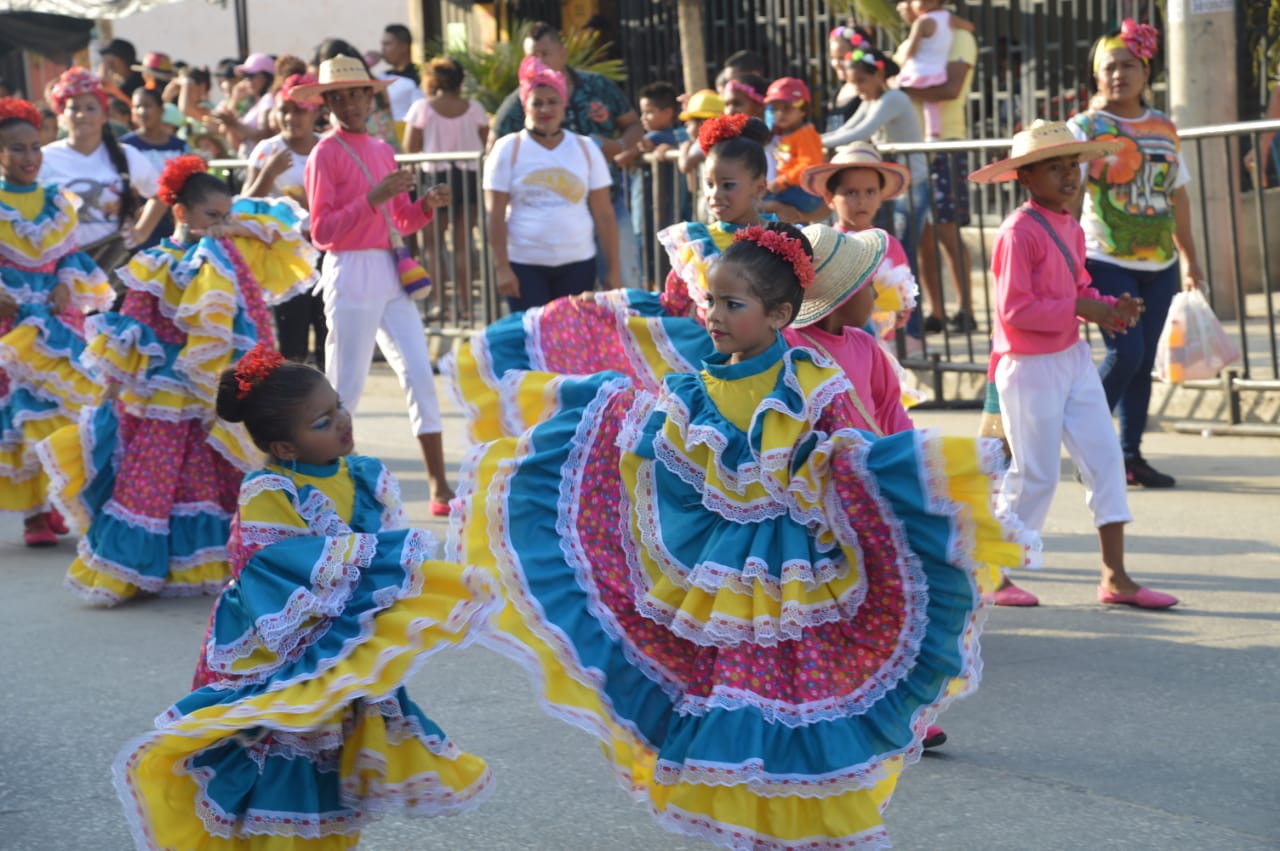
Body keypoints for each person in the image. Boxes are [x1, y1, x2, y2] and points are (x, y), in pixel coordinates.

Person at [450, 221, 1036, 850]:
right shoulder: (693, 387)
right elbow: (661, 465)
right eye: (712, 302)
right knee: (733, 702)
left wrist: (929, 474)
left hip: (797, 578)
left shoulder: (810, 379)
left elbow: (855, 455)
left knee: (800, 705)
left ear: (780, 313)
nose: (716, 317)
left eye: (734, 305)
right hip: (721, 581)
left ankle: (813, 823)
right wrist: (600, 418)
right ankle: (752, 828)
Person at [114, 347, 497, 848]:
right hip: (279, 646)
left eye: (338, 406)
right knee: (281, 753)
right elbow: (276, 572)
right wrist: (361, 569)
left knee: (332, 761)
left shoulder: (362, 474)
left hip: (341, 644)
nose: (342, 422)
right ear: (284, 446)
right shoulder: (270, 490)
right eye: (322, 421)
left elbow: (383, 554)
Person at [37, 155, 317, 605]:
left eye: (226, 215)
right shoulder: (155, 262)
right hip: (164, 392)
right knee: (152, 478)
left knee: (212, 477)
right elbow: (133, 327)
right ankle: (131, 570)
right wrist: (112, 389)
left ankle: (223, 561)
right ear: (181, 213)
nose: (222, 224)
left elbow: (263, 283)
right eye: (212, 216)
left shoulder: (228, 260)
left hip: (211, 389)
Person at [448, 113, 772, 442]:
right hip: (703, 361)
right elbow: (671, 304)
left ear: (759, 187)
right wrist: (606, 303)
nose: (716, 194)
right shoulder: (693, 241)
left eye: (728, 185)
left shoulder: (782, 240)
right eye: (710, 184)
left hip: (764, 363)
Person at [969, 119, 1177, 609]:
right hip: (1029, 366)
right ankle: (993, 574)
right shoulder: (1018, 232)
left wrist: (1109, 306)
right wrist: (1086, 308)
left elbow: (1078, 288)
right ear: (1026, 177)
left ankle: (1116, 577)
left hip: (1072, 359)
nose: (1068, 176)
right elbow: (1014, 310)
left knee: (1105, 461)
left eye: (1073, 166)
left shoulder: (1068, 225)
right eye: (1054, 167)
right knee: (1035, 474)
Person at [298, 55, 456, 515]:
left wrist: (425, 204)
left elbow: (399, 219)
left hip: (389, 269)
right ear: (326, 103)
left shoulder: (382, 148)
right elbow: (323, 232)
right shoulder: (324, 153)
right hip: (349, 269)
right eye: (338, 97)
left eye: (356, 94)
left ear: (371, 97)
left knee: (420, 374)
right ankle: (325, 490)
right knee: (343, 386)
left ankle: (439, 485)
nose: (348, 104)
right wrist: (375, 197)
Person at [1068, 19, 1204, 489]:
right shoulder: (1085, 127)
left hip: (1160, 264)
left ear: (1146, 71)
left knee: (1143, 361)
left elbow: (1178, 195)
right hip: (1104, 257)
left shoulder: (1164, 127)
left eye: (1128, 64)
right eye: (1109, 66)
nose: (1119, 74)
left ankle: (1129, 455)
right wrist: (1061, 257)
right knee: (1126, 353)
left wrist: (1190, 257)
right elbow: (1068, 193)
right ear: (1096, 75)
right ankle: (1085, 439)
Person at [0, 98, 112, 546]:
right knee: (19, 414)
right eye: (16, 150)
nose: (29, 158)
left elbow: (68, 253)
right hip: (9, 324)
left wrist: (66, 280)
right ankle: (33, 514)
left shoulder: (58, 201)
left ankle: (57, 499)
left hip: (53, 316)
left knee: (63, 409)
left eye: (34, 147)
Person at [489, 22, 644, 287]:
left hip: (608, 201)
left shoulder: (598, 86)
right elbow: (493, 143)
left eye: (544, 53)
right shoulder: (521, 100)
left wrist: (618, 147)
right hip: (548, 222)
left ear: (563, 53)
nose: (538, 61)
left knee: (624, 282)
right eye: (532, 56)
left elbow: (634, 124)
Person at [484, 56, 619, 312]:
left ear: (564, 105)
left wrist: (613, 270)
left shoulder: (585, 148)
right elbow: (495, 214)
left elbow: (604, 214)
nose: (546, 110)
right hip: (524, 264)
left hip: (578, 262)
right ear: (525, 106)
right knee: (533, 341)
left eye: (553, 101)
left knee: (572, 343)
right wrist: (502, 268)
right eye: (538, 103)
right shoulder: (507, 149)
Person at [898, 4, 979, 335]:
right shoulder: (910, 38)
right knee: (923, 236)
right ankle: (936, 312)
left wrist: (904, 89)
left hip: (944, 142)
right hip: (911, 148)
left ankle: (966, 310)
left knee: (947, 230)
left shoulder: (958, 35)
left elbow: (950, 88)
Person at [800, 143, 922, 360]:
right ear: (830, 198)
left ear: (880, 196)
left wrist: (899, 313)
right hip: (832, 346)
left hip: (878, 346)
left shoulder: (890, 245)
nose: (862, 200)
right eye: (851, 192)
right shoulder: (825, 246)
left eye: (870, 192)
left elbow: (904, 295)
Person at [38, 68, 165, 276]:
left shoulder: (126, 156)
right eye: (74, 108)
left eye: (90, 108)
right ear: (62, 114)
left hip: (115, 265)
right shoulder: (46, 158)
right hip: (62, 268)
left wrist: (141, 232)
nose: (82, 115)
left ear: (104, 115)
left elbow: (161, 194)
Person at [821, 45, 931, 279]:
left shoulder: (894, 98)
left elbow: (863, 131)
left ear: (879, 76)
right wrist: (814, 140)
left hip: (913, 185)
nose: (858, 89)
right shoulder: (872, 99)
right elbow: (847, 128)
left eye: (862, 81)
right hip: (900, 185)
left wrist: (815, 143)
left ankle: (909, 313)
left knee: (904, 256)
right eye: (854, 84)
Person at [245, 72, 327, 368]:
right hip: (286, 256)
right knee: (292, 342)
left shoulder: (328, 147)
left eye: (300, 111)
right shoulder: (267, 150)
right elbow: (247, 203)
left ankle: (329, 404)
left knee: (328, 333)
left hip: (326, 249)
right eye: (285, 111)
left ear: (315, 111)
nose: (292, 118)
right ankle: (294, 407)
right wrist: (268, 173)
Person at [403, 56, 490, 323]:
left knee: (431, 245)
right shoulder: (474, 107)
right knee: (463, 244)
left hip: (434, 177)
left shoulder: (423, 108)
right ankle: (465, 305)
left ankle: (442, 304)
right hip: (468, 176)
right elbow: (487, 140)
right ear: (459, 81)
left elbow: (410, 145)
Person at [615, 81, 685, 287]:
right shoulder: (673, 137)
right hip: (655, 209)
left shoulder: (656, 137)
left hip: (652, 211)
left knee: (650, 256)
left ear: (668, 113)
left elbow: (623, 158)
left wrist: (621, 156)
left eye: (649, 112)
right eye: (642, 112)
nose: (643, 118)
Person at [121, 86, 189, 250]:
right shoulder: (125, 146)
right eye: (138, 107)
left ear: (161, 110)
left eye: (148, 106)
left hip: (174, 219)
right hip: (139, 219)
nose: (142, 112)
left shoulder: (179, 146)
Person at [895, 0, 975, 141]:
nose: (900, 6)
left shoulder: (960, 37)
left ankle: (933, 134)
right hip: (907, 143)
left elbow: (950, 90)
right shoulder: (905, 45)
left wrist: (901, 90)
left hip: (945, 141)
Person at [762, 77, 826, 220]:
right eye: (775, 109)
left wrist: (782, 181)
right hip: (790, 189)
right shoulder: (782, 135)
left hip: (803, 191)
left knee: (759, 204)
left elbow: (809, 165)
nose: (780, 114)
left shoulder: (805, 134)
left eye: (787, 108)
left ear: (803, 110)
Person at [213, 52, 275, 156]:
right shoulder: (254, 103)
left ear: (265, 77)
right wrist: (234, 100)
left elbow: (264, 136)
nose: (247, 81)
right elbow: (233, 140)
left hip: (262, 165)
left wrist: (234, 123)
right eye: (245, 76)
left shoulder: (268, 99)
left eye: (251, 76)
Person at [825, 25, 864, 132]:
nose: (836, 64)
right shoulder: (837, 92)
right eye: (833, 58)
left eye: (842, 58)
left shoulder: (866, 93)